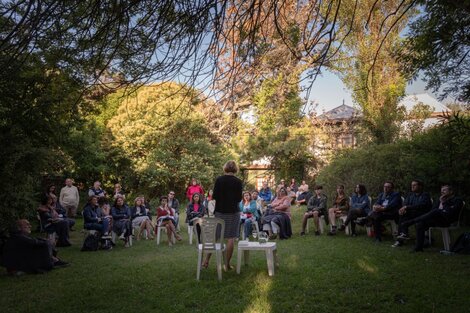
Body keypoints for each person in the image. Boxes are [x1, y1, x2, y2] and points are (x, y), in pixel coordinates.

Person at [203, 160, 243, 270]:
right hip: (233, 212)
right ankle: (227, 264)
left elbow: (214, 196)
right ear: (235, 169)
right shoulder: (238, 181)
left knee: (215, 236)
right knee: (231, 238)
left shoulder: (219, 180)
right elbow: (239, 198)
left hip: (220, 211)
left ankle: (206, 260)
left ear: (225, 168)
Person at [401, 185, 463, 252]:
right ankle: (419, 247)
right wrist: (441, 202)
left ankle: (410, 222)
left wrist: (444, 202)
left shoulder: (457, 200)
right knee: (420, 224)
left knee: (436, 211)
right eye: (441, 191)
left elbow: (450, 212)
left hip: (448, 221)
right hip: (436, 220)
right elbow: (432, 211)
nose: (442, 192)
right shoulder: (439, 199)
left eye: (444, 190)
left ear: (451, 191)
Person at [1, 219, 68, 275]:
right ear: (19, 228)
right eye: (27, 225)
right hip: (16, 265)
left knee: (44, 243)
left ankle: (53, 260)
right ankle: (51, 262)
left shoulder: (18, 236)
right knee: (44, 244)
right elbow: (34, 242)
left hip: (17, 263)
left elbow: (33, 242)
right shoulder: (18, 237)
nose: (30, 226)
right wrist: (47, 242)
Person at [392, 180, 432, 247]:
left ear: (420, 186)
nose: (412, 186)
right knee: (402, 216)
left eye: (414, 185)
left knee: (404, 218)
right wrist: (402, 210)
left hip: (421, 215)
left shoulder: (425, 195)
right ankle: (401, 239)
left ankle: (403, 235)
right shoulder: (410, 195)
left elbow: (421, 205)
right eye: (412, 185)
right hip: (411, 214)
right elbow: (405, 204)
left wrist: (407, 207)